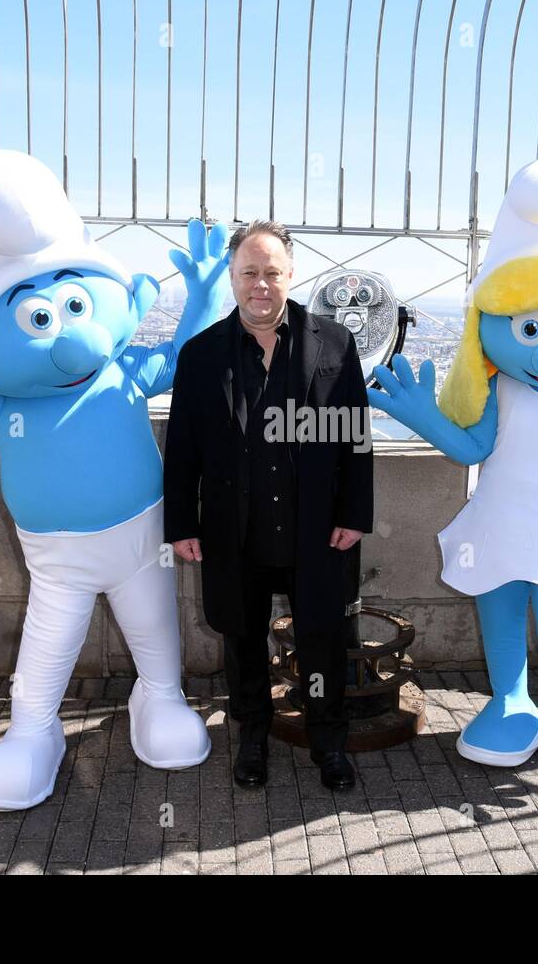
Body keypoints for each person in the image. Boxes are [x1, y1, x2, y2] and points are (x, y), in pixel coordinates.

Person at [163, 219, 374, 791]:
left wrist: (355, 513)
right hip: (237, 530)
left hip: (318, 529)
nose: (261, 284)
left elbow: (356, 435)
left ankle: (330, 743)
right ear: (232, 277)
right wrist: (182, 522)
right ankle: (252, 736)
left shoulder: (334, 342)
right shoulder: (201, 356)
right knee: (242, 637)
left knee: (323, 640)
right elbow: (181, 448)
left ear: (291, 275)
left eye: (271, 273)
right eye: (249, 272)